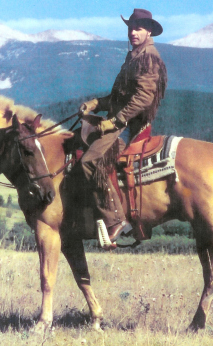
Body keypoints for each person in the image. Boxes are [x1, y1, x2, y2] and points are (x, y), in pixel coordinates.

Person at [80, 9, 167, 244]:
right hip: (121, 120)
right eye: (130, 28)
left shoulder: (148, 57)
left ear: (149, 31)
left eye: (138, 28)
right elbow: (118, 96)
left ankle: (115, 219)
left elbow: (143, 99)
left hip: (130, 124)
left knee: (91, 161)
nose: (133, 32)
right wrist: (95, 103)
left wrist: (114, 121)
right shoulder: (134, 56)